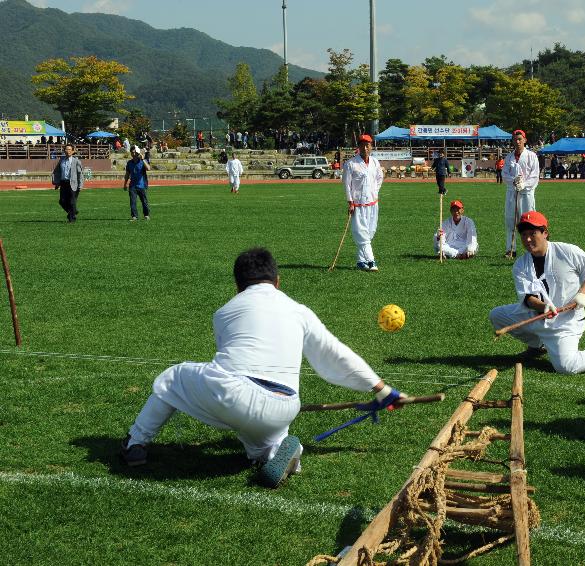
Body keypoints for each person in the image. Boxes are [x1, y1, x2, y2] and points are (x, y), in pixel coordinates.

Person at [121, 247, 407, 486]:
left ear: (237, 285)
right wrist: (382, 388)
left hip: (234, 393)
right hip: (284, 407)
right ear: (277, 281)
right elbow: (335, 352)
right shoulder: (300, 311)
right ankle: (274, 455)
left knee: (172, 377)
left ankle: (136, 443)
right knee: (259, 446)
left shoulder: (223, 312)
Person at [489, 211, 585, 375]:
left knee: (567, 367)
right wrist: (544, 307)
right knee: (497, 315)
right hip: (539, 315)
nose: (527, 239)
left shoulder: (567, 251)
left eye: (532, 234)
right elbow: (527, 298)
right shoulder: (521, 265)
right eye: (524, 235)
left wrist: (582, 294)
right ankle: (538, 346)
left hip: (566, 322)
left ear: (545, 233)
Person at [343, 134, 383, 271]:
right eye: (362, 145)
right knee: (361, 233)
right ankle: (371, 261)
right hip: (358, 204)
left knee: (370, 232)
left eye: (368, 145)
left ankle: (360, 261)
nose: (365, 148)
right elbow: (347, 185)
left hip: (373, 203)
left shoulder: (375, 162)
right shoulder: (350, 164)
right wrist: (350, 202)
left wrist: (375, 192)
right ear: (358, 147)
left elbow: (379, 178)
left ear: (371, 146)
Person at [501, 129, 540, 258]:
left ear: (524, 140)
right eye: (515, 139)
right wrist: (514, 182)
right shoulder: (509, 157)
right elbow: (504, 174)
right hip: (512, 193)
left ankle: (533, 248)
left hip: (526, 194)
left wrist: (523, 184)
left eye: (520, 139)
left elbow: (535, 176)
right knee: (510, 220)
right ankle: (510, 249)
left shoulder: (531, 156)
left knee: (529, 222)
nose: (517, 142)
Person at [51, 144, 84, 223]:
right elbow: (57, 172)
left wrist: (80, 185)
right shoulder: (61, 160)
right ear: (64, 151)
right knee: (62, 201)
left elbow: (80, 173)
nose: (68, 151)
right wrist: (57, 183)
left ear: (73, 151)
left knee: (72, 202)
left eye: (69, 149)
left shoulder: (76, 161)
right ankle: (73, 211)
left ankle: (72, 219)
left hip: (73, 183)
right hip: (63, 183)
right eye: (66, 149)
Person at [123, 145, 151, 221]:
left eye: (135, 152)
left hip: (142, 185)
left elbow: (148, 168)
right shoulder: (129, 163)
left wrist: (143, 159)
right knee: (133, 202)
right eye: (132, 152)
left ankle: (146, 215)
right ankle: (134, 216)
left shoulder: (142, 161)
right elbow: (127, 174)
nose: (133, 154)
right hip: (132, 185)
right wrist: (125, 184)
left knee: (144, 201)